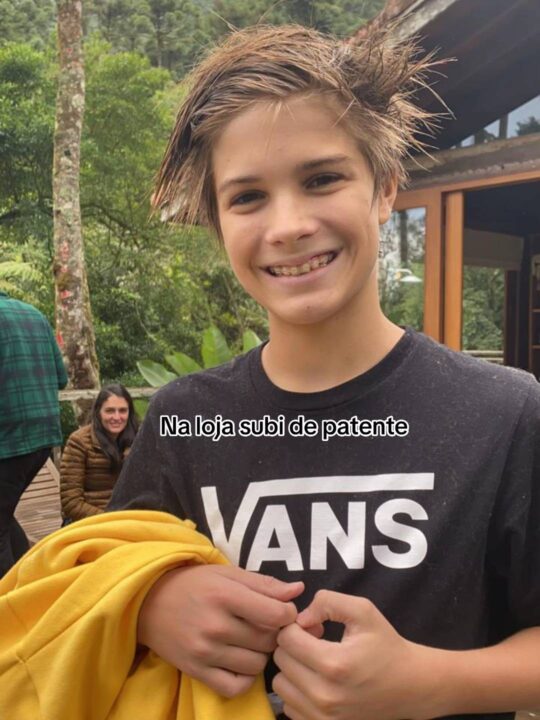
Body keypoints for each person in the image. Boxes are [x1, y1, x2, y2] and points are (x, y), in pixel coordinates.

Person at [103, 24, 540, 720]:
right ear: (218, 223)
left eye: (322, 179)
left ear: (384, 188)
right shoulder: (185, 419)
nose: (288, 225)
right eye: (247, 197)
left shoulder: (506, 414)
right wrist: (148, 603)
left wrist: (434, 683)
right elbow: (94, 579)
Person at [0, 291, 67, 577]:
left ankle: (10, 599)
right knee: (4, 517)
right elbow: (61, 379)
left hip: (8, 442)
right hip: (42, 440)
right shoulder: (34, 315)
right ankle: (27, 582)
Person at [60, 384, 138, 522]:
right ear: (98, 412)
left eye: (122, 411)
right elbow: (71, 503)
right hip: (90, 520)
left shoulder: (139, 439)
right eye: (110, 411)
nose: (117, 417)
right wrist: (110, 520)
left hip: (129, 517)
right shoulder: (79, 442)